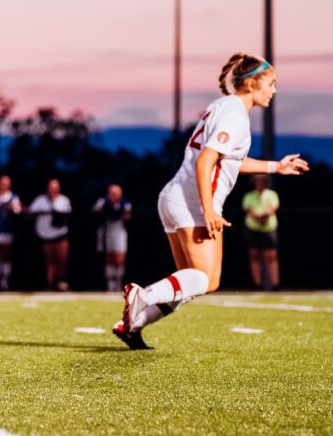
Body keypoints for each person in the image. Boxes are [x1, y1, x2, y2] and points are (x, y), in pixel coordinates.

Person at [115, 53, 308, 350]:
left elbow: (232, 160)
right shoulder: (235, 114)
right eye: (271, 83)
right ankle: (144, 296)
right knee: (207, 280)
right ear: (252, 83)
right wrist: (209, 210)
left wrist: (275, 166)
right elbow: (207, 161)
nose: (274, 90)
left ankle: (132, 326)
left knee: (190, 283)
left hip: (175, 196)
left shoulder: (223, 106)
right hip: (191, 202)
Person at [29, 179, 72, 291]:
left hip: (60, 233)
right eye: (51, 187)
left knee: (62, 259)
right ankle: (50, 284)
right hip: (45, 234)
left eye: (55, 187)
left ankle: (61, 282)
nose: (53, 190)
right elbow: (30, 212)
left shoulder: (64, 200)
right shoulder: (40, 200)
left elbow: (66, 214)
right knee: (50, 261)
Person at [242, 175, 281, 291]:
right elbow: (249, 210)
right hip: (252, 228)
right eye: (257, 181)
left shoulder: (272, 194)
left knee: (271, 256)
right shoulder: (249, 196)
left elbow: (272, 209)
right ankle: (257, 284)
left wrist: (263, 219)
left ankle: (275, 284)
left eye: (262, 181)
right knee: (254, 255)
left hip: (269, 229)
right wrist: (258, 219)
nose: (260, 183)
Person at [94, 184, 132, 292]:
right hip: (107, 231)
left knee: (119, 257)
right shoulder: (103, 202)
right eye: (111, 193)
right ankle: (110, 284)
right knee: (109, 257)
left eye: (115, 193)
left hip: (119, 231)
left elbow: (128, 216)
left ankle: (118, 281)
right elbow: (96, 212)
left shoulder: (125, 204)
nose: (113, 195)